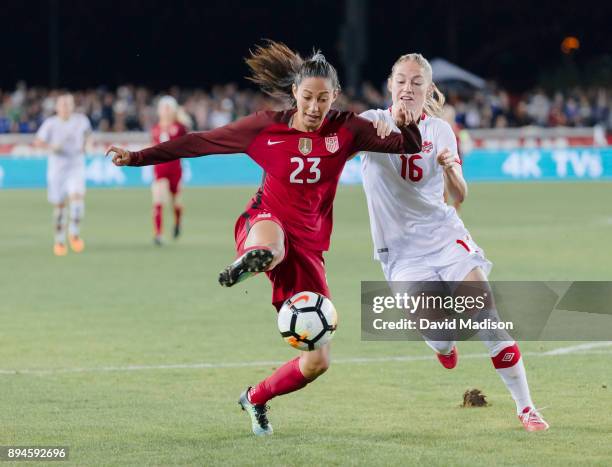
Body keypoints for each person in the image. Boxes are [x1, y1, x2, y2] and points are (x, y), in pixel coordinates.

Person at [106, 41, 422, 436]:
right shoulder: (264, 127)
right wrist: (137, 157)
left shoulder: (348, 129)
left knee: (318, 362)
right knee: (270, 247)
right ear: (294, 93)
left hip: (309, 246)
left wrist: (407, 122)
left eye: (323, 99)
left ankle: (255, 397)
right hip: (264, 219)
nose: (313, 107)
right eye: (307, 97)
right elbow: (198, 142)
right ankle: (251, 260)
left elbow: (409, 148)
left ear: (335, 97)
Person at [360, 53, 549, 432]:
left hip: (444, 236)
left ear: (428, 89)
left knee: (486, 311)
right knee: (441, 334)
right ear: (390, 85)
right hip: (400, 253)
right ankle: (444, 347)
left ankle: (526, 407)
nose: (408, 88)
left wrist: (449, 170)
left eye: (416, 82)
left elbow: (459, 195)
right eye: (401, 80)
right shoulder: (370, 124)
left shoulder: (441, 130)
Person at [34, 94, 92, 256]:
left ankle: (74, 233)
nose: (66, 107)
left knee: (77, 198)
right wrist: (51, 146)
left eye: (68, 104)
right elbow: (38, 141)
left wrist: (88, 145)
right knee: (59, 206)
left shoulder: (81, 120)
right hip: (57, 169)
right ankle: (59, 240)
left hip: (76, 165)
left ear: (73, 106)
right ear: (57, 107)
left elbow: (88, 135)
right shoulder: (50, 124)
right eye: (62, 104)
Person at [150, 96, 188, 245]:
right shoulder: (155, 129)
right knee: (158, 200)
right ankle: (158, 234)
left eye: (168, 108)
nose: (165, 112)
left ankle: (178, 223)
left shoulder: (179, 127)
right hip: (160, 169)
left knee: (176, 202)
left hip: (175, 170)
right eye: (163, 108)